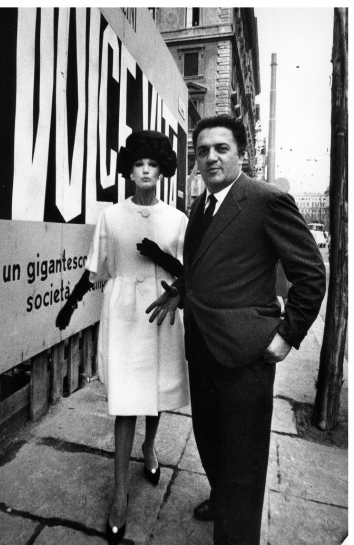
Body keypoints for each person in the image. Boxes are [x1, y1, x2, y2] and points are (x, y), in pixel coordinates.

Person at [146, 116, 326, 545]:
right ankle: (223, 497)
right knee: (210, 442)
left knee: (244, 462)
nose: (210, 157)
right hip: (204, 349)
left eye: (221, 148)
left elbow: (311, 274)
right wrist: (181, 290)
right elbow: (203, 265)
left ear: (240, 154)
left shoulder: (264, 200)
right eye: (202, 150)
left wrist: (287, 335)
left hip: (247, 354)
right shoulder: (201, 207)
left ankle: (236, 529)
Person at [56, 130, 189, 545]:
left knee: (158, 390)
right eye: (138, 164)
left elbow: (191, 272)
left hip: (162, 313)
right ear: (129, 171)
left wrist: (166, 264)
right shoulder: (112, 217)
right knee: (126, 403)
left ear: (162, 169)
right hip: (125, 312)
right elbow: (96, 266)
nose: (145, 170)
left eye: (152, 164)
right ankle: (119, 496)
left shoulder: (178, 219)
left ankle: (150, 449)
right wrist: (71, 303)